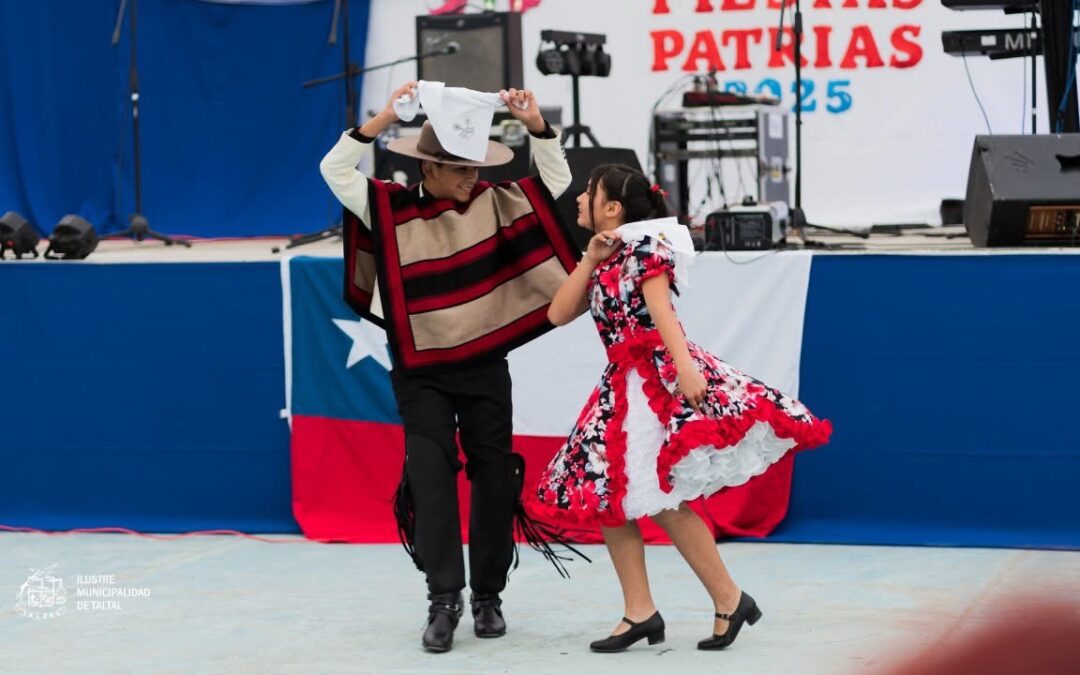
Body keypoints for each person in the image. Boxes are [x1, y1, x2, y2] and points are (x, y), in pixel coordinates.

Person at [319, 81, 580, 653]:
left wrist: (537, 126)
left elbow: (554, 184)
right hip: (420, 370)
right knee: (430, 477)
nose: (471, 178)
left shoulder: (496, 202)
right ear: (429, 167)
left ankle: (488, 596)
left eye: (475, 168)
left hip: (484, 362)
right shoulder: (386, 206)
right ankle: (444, 600)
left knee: (494, 476)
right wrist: (384, 116)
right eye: (461, 169)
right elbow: (335, 170)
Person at [531, 163, 832, 653]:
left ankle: (728, 598)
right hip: (621, 387)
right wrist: (587, 259)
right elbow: (557, 313)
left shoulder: (647, 250)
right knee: (612, 496)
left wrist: (685, 369)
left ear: (613, 209)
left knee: (666, 500)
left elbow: (662, 312)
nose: (580, 199)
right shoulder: (606, 256)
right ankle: (641, 611)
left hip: (654, 379)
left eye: (590, 192)